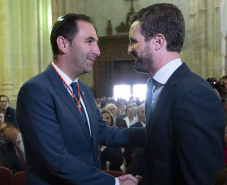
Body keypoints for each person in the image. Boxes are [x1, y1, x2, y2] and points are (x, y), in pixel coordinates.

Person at [17, 13, 145, 185]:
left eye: (97, 43)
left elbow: (102, 132)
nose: (97, 51)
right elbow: (55, 160)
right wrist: (114, 183)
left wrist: (151, 134)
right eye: (89, 41)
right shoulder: (36, 91)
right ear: (63, 44)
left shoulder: (83, 90)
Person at [128, 3, 225, 185]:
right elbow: (163, 157)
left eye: (133, 41)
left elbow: (200, 177)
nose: (129, 49)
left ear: (158, 42)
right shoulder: (154, 87)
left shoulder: (194, 93)